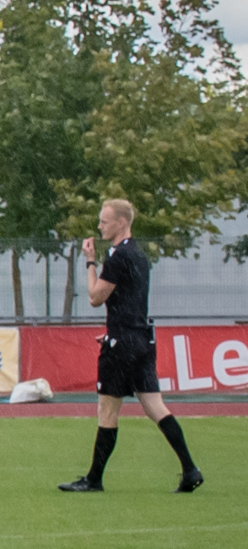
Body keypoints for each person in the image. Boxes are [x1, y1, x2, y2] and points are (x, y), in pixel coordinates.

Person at [61, 198, 203, 494]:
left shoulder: (118, 257)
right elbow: (129, 299)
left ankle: (94, 479)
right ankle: (190, 469)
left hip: (122, 344)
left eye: (104, 221)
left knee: (107, 411)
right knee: (155, 406)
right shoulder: (138, 254)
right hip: (141, 338)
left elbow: (95, 297)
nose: (99, 226)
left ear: (121, 222)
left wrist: (89, 262)